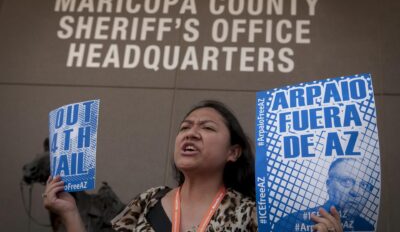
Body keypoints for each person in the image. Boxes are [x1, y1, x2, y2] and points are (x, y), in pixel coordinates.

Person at [43, 100, 343, 232]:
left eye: (208, 128)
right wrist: (69, 212)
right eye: (185, 126)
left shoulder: (251, 215)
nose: (191, 132)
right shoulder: (148, 202)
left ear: (233, 152)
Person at [273, 158, 374, 232]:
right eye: (346, 181)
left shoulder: (369, 228)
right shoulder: (288, 224)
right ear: (328, 185)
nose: (356, 192)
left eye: (365, 185)